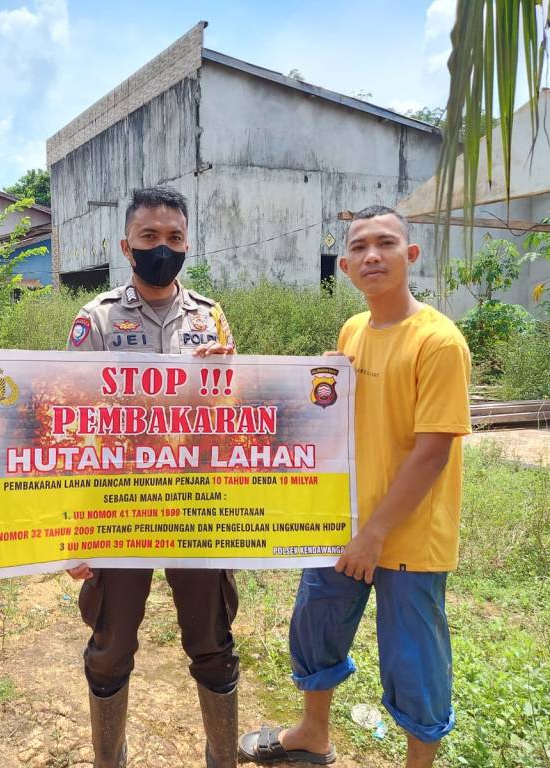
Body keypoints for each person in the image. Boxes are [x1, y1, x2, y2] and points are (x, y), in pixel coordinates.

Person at [239, 206, 471, 767]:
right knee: (316, 626)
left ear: (410, 255)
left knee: (414, 660)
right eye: (360, 247)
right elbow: (332, 411)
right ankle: (312, 734)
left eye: (385, 243)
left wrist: (374, 535)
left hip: (407, 537)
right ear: (343, 266)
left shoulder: (439, 342)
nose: (372, 256)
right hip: (342, 523)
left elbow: (432, 453)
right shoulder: (352, 331)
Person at [65, 186, 239, 768]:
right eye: (149, 237)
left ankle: (222, 759)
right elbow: (73, 420)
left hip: (194, 502)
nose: (162, 248)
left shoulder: (211, 317)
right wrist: (78, 528)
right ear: (127, 246)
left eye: (173, 238)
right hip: (120, 503)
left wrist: (228, 379)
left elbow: (235, 415)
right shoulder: (96, 319)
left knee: (212, 641)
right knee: (111, 645)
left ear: (187, 245)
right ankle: (107, 759)